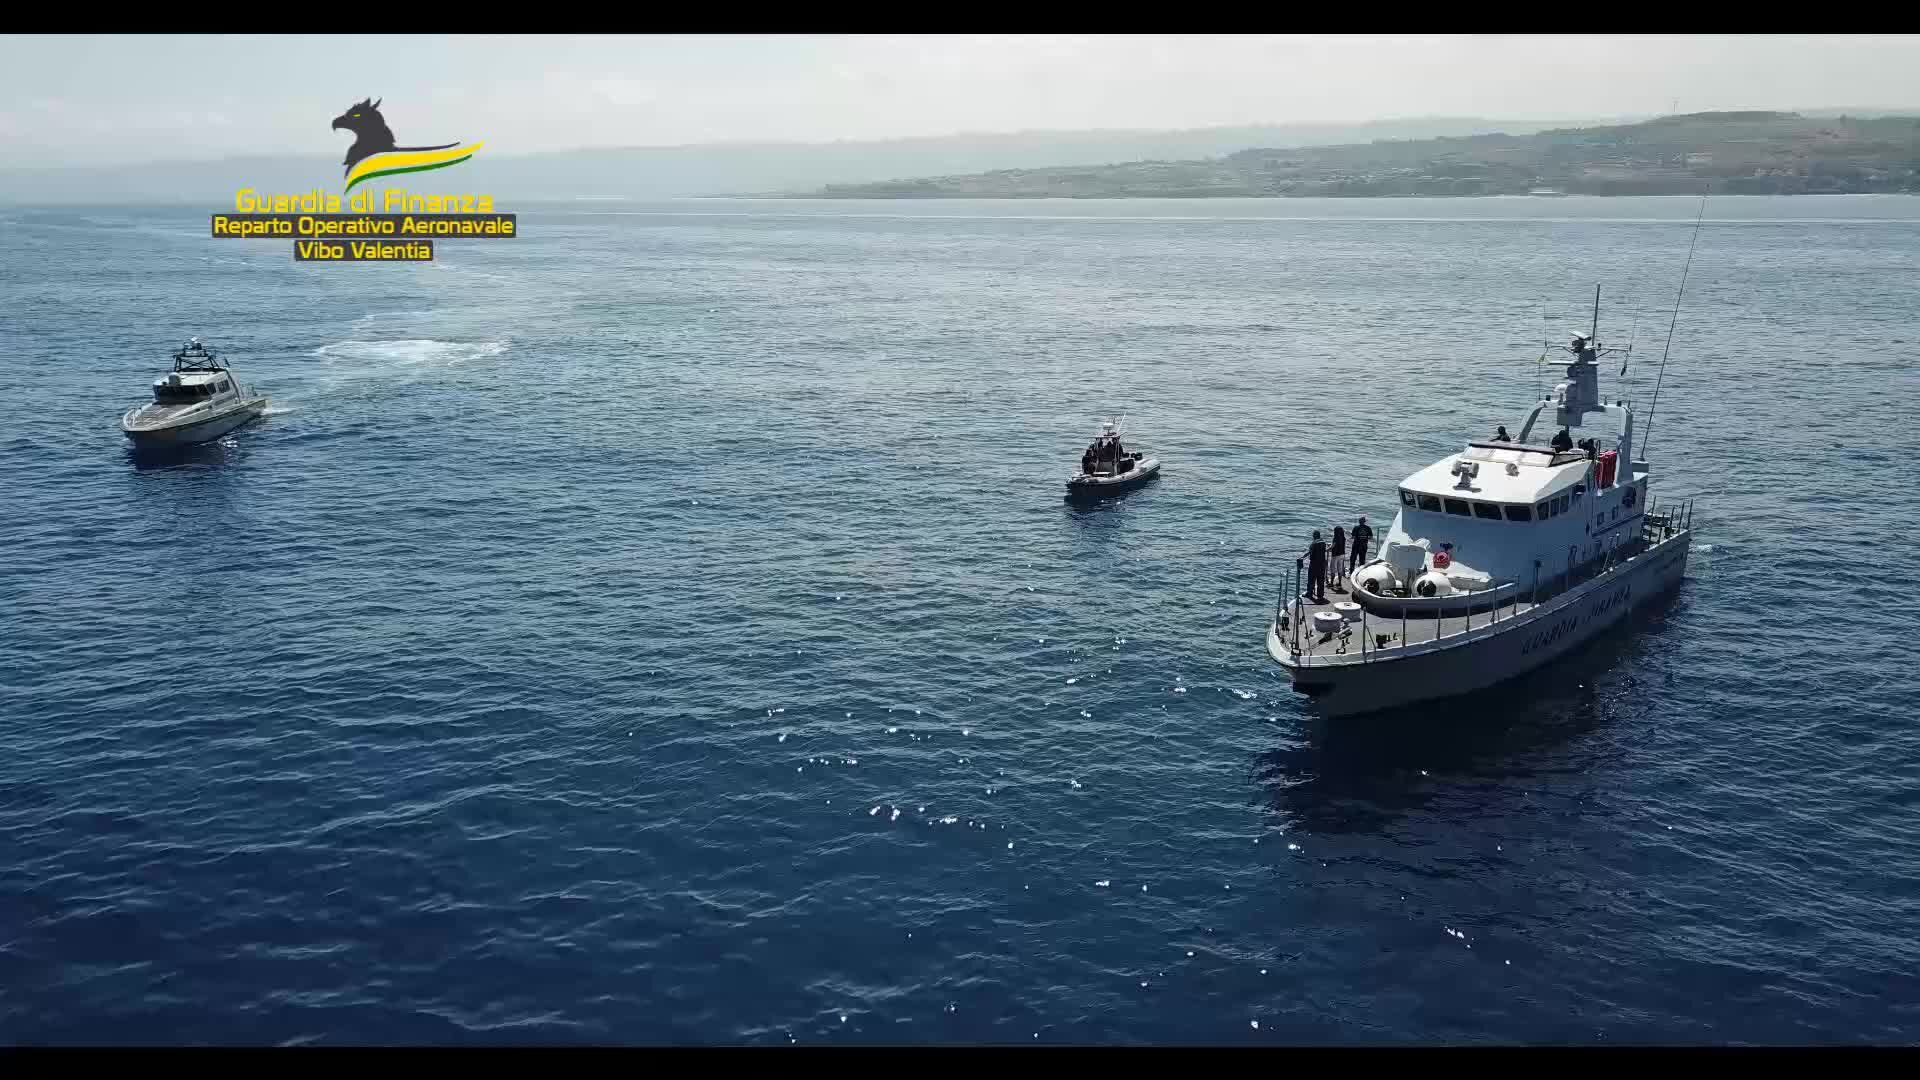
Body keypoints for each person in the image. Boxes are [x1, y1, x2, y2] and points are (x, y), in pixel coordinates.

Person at [1304, 530, 1328, 604]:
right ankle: (1320, 596)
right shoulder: (1323, 542)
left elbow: (1311, 554)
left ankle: (1309, 594)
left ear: (1314, 536)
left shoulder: (1313, 543)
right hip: (1322, 564)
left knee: (1311, 579)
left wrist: (1304, 556)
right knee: (1320, 580)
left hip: (1314, 564)